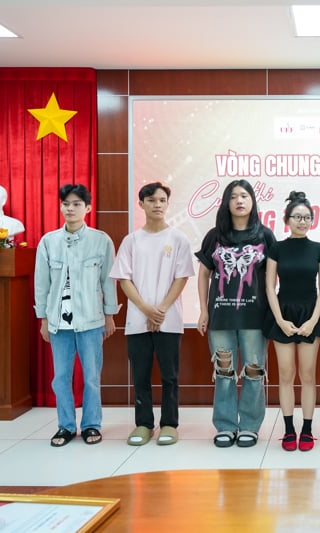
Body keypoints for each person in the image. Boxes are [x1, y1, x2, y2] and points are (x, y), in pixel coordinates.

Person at [110, 181, 195, 446]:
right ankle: (144, 424)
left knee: (170, 376)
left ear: (168, 204)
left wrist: (161, 310)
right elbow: (123, 279)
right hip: (138, 319)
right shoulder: (132, 240)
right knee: (141, 375)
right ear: (141, 204)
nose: (157, 205)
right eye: (151, 200)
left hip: (169, 319)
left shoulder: (178, 239)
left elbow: (181, 278)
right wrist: (146, 309)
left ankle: (169, 424)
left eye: (162, 200)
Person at [34, 184, 118, 447]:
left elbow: (108, 281)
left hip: (91, 321)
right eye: (66, 204)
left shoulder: (101, 240)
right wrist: (43, 319)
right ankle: (66, 426)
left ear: (88, 208)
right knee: (61, 378)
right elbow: (42, 284)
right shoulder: (48, 242)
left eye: (76, 204)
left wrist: (110, 315)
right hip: (58, 323)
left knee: (91, 376)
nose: (70, 209)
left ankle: (92, 424)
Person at [196, 179, 277, 448]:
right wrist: (203, 310)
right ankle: (226, 425)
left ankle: (250, 426)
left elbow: (272, 278)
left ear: (252, 201)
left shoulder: (265, 235)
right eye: (233, 197)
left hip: (255, 317)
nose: (239, 201)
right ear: (226, 203)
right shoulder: (214, 236)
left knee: (254, 371)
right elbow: (204, 274)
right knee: (224, 371)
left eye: (244, 195)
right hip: (221, 317)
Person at [265, 191, 320, 451]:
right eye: (297, 217)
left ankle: (307, 430)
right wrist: (280, 320)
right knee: (285, 374)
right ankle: (288, 430)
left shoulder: (318, 249)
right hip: (282, 314)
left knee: (307, 374)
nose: (302, 221)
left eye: (307, 217)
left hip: (310, 314)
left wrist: (313, 320)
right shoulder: (277, 248)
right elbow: (270, 287)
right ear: (287, 219)